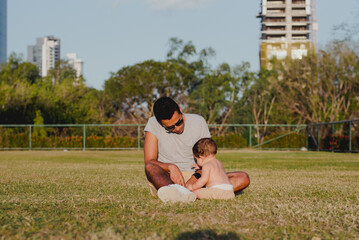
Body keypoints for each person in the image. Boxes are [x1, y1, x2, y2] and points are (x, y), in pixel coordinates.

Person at [144, 96, 250, 203]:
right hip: (168, 178)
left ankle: (183, 193)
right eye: (170, 128)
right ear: (160, 123)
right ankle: (179, 191)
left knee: (242, 177)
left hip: (199, 178)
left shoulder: (198, 122)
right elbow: (150, 161)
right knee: (150, 167)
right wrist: (171, 167)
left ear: (180, 109)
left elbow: (208, 160)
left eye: (179, 122)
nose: (177, 128)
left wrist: (193, 180)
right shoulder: (153, 124)